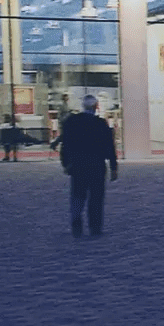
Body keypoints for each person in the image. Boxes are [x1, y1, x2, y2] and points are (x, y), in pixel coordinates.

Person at [59, 95, 117, 237]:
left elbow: (65, 144)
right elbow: (109, 146)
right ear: (96, 106)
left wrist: (65, 163)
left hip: (78, 164)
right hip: (97, 164)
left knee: (78, 194)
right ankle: (95, 227)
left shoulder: (72, 121)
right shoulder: (100, 123)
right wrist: (114, 166)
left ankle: (76, 222)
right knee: (96, 197)